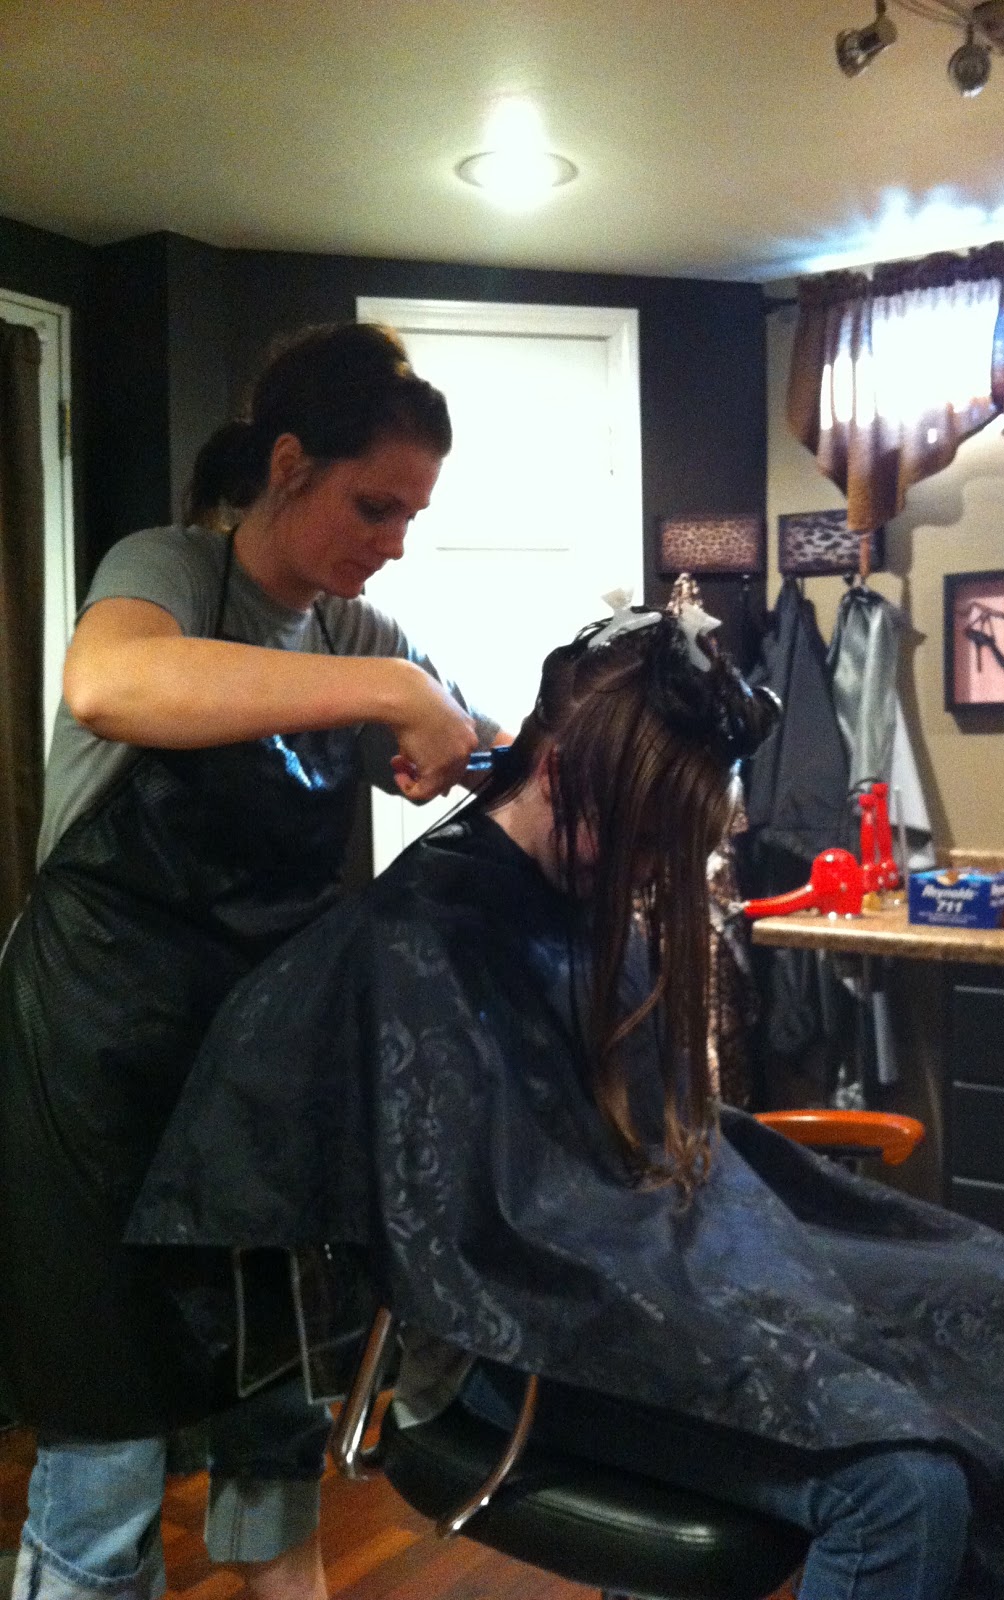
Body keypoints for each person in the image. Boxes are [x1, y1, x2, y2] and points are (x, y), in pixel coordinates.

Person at [130, 603, 1004, 1600]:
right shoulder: (416, 937)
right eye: (640, 838)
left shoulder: (575, 901)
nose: (648, 871)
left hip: (643, 1280)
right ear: (558, 774)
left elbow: (618, 1159)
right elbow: (478, 1242)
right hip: (517, 1344)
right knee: (905, 1486)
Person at [0, 323, 506, 1600]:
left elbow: (478, 750)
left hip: (255, 1072)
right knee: (109, 1441)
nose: (393, 540)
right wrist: (383, 689)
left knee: (276, 1405)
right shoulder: (167, 571)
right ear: (288, 465)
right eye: (373, 505)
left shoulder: (359, 629)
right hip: (98, 1072)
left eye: (412, 514)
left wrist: (567, 754)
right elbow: (112, 684)